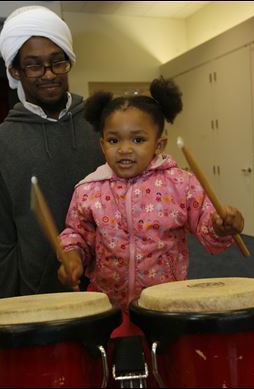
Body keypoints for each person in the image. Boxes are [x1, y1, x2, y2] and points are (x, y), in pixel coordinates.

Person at [57, 76, 244, 336]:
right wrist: (72, 257)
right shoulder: (89, 189)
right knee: (113, 367)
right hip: (108, 305)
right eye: (114, 140)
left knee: (168, 367)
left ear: (159, 145)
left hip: (165, 304)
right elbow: (77, 235)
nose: (124, 149)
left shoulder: (180, 183)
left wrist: (222, 226)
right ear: (102, 144)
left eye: (137, 140)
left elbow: (206, 222)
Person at [0, 5, 104, 300]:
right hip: (40, 296)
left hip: (110, 289)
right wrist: (8, 308)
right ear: (15, 71)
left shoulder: (100, 125)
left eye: (57, 62)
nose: (49, 74)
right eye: (34, 65)